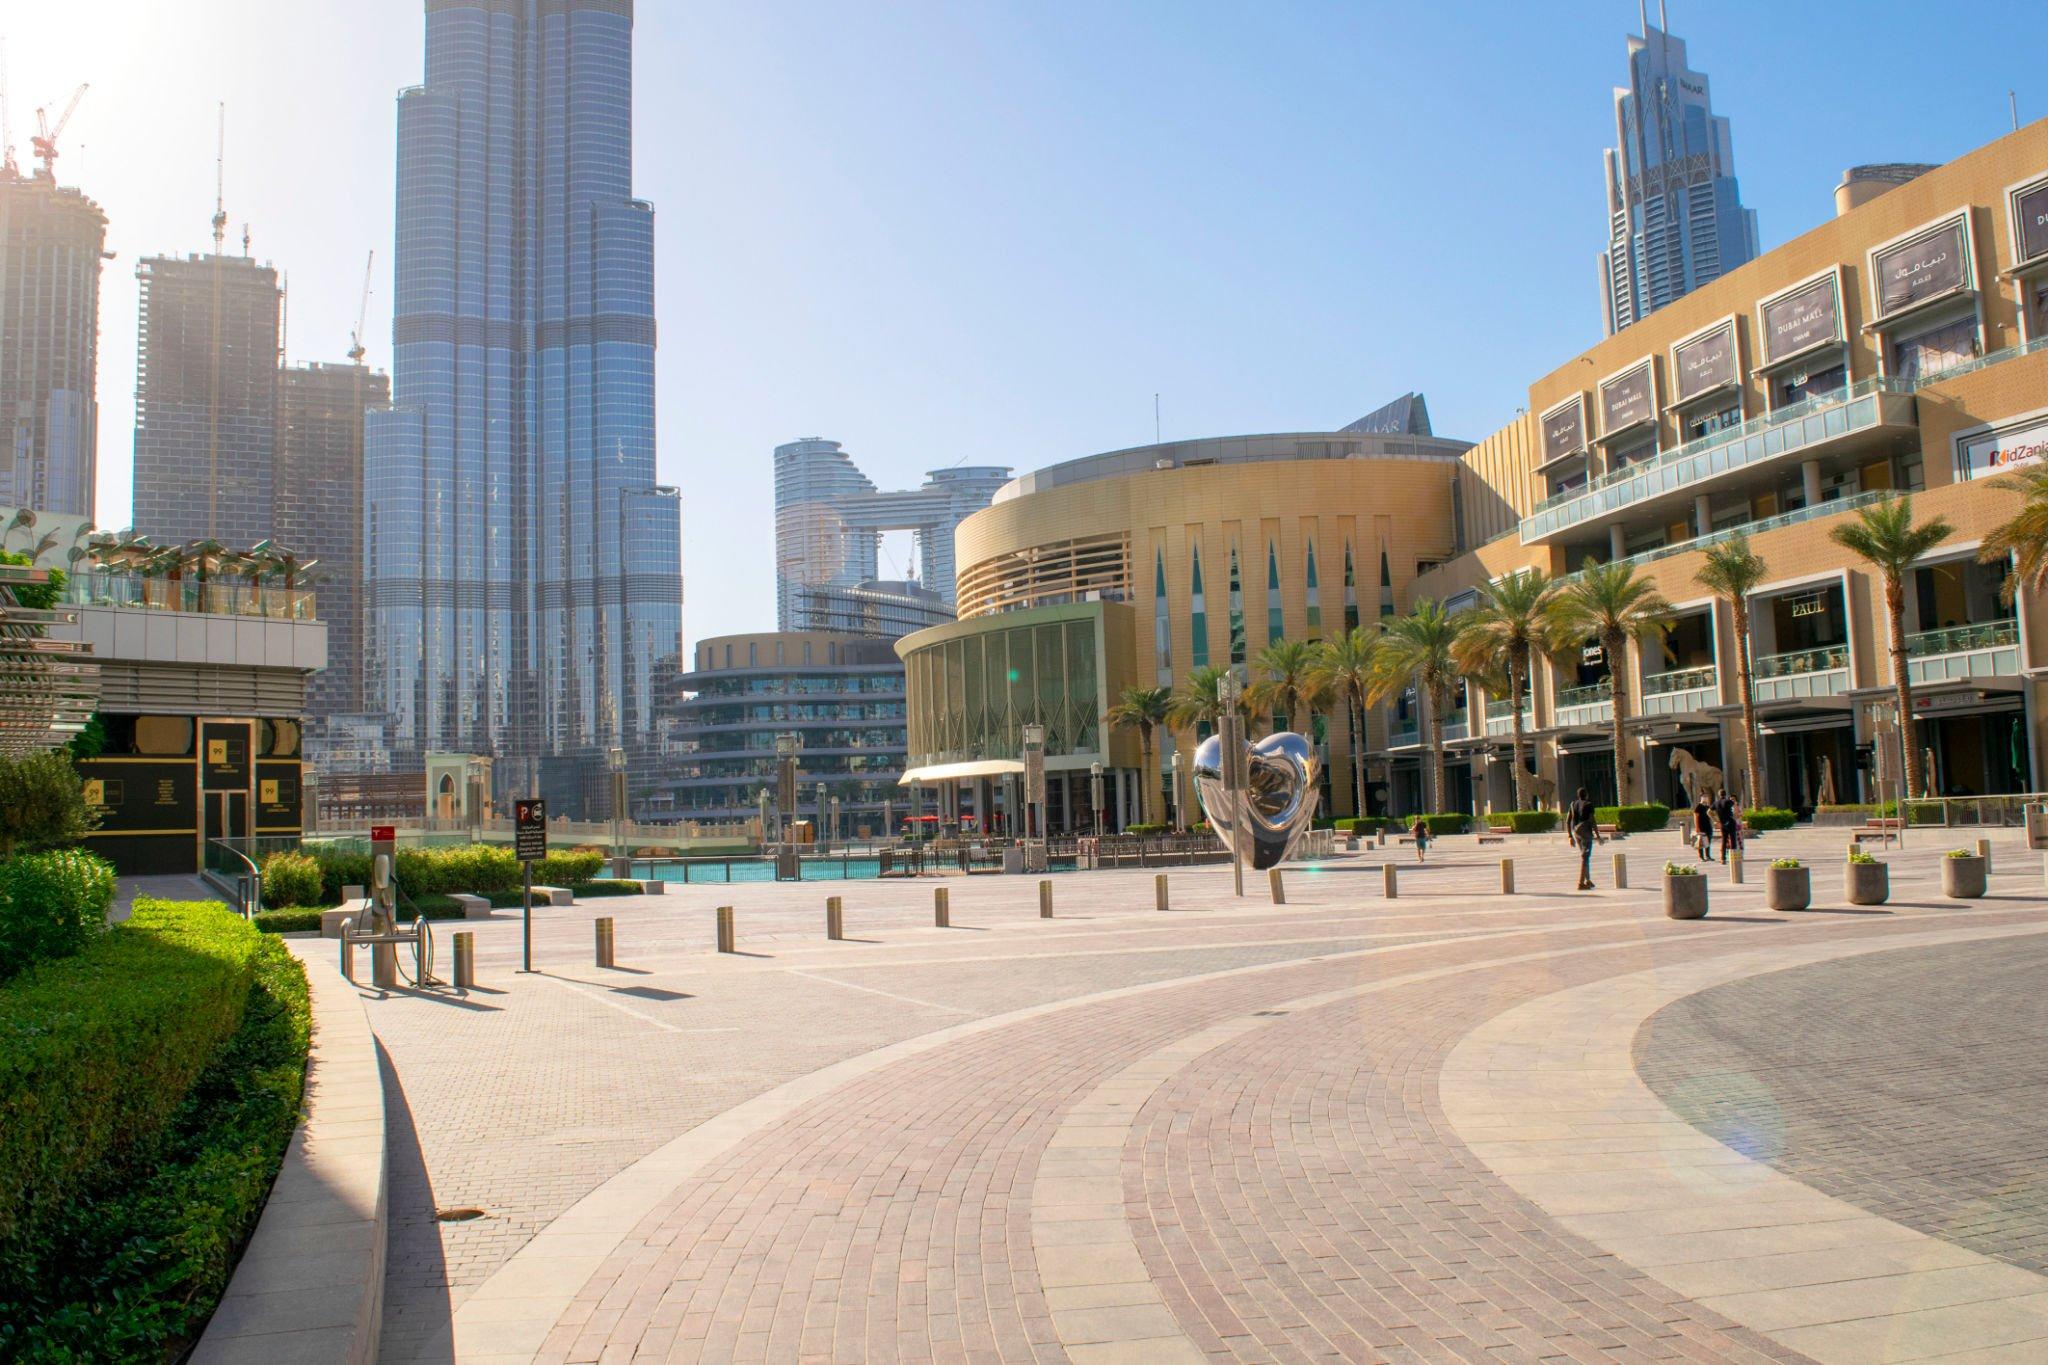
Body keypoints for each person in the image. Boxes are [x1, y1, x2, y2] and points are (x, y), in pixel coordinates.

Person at [1568, 787, 1598, 890]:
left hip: (1576, 832)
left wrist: (1570, 836)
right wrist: (1597, 835)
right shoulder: (1589, 805)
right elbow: (1592, 821)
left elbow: (1568, 820)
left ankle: (1588, 880)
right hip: (1586, 833)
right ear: (1587, 795)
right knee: (1585, 858)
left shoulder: (1573, 804)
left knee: (1584, 857)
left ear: (1578, 795)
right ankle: (1581, 883)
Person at [1715, 791, 1742, 862]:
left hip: (1722, 824)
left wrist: (1716, 820)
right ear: (1725, 794)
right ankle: (1733, 858)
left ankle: (1723, 858)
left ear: (1719, 795)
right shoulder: (1728, 801)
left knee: (1724, 840)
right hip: (1730, 822)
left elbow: (1708, 812)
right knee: (1733, 840)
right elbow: (1735, 810)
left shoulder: (1716, 803)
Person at [1693, 796, 1715, 860]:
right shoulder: (1698, 807)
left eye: (1706, 797)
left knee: (1708, 841)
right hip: (1701, 827)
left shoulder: (1707, 806)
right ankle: (1701, 856)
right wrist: (1697, 827)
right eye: (1704, 797)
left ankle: (1708, 856)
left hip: (1708, 826)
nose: (1706, 798)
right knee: (1701, 842)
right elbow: (1696, 817)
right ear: (1701, 798)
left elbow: (1711, 815)